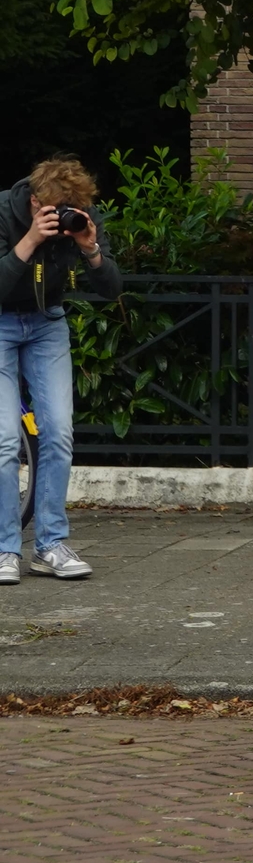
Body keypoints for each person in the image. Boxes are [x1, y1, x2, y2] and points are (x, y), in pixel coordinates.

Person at [1, 155, 122, 583]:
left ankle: (50, 545)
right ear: (35, 203)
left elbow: (111, 289)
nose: (66, 218)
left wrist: (90, 248)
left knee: (58, 431)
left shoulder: (81, 218)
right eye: (56, 210)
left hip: (47, 324)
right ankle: (4, 549)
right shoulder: (2, 213)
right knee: (4, 439)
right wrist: (30, 241)